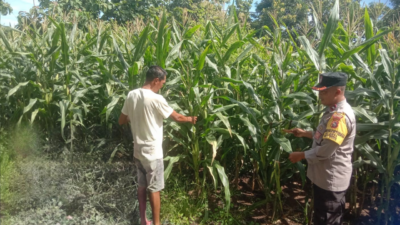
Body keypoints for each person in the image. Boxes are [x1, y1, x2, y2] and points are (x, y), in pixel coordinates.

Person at [118, 66, 197, 225]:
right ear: (155, 80)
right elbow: (177, 117)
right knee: (154, 188)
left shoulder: (131, 95)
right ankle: (157, 224)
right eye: (162, 83)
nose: (162, 86)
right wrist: (191, 119)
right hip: (152, 152)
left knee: (141, 186)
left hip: (138, 151)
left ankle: (143, 220)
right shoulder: (156, 98)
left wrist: (136, 117)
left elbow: (121, 120)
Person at [284, 72, 356, 225]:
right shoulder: (332, 110)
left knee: (326, 220)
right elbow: (326, 137)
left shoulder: (340, 117)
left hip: (330, 180)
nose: (320, 95)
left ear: (338, 91)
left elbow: (326, 151)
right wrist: (305, 133)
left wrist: (301, 155)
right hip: (326, 178)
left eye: (324, 91)